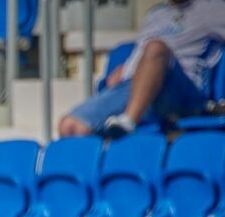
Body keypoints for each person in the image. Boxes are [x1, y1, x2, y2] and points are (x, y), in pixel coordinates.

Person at [59, 0, 225, 138]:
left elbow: (154, 51)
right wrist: (126, 70)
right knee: (70, 126)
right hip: (140, 88)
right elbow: (141, 52)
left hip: (183, 94)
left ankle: (128, 122)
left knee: (156, 48)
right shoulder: (156, 14)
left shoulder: (211, 9)